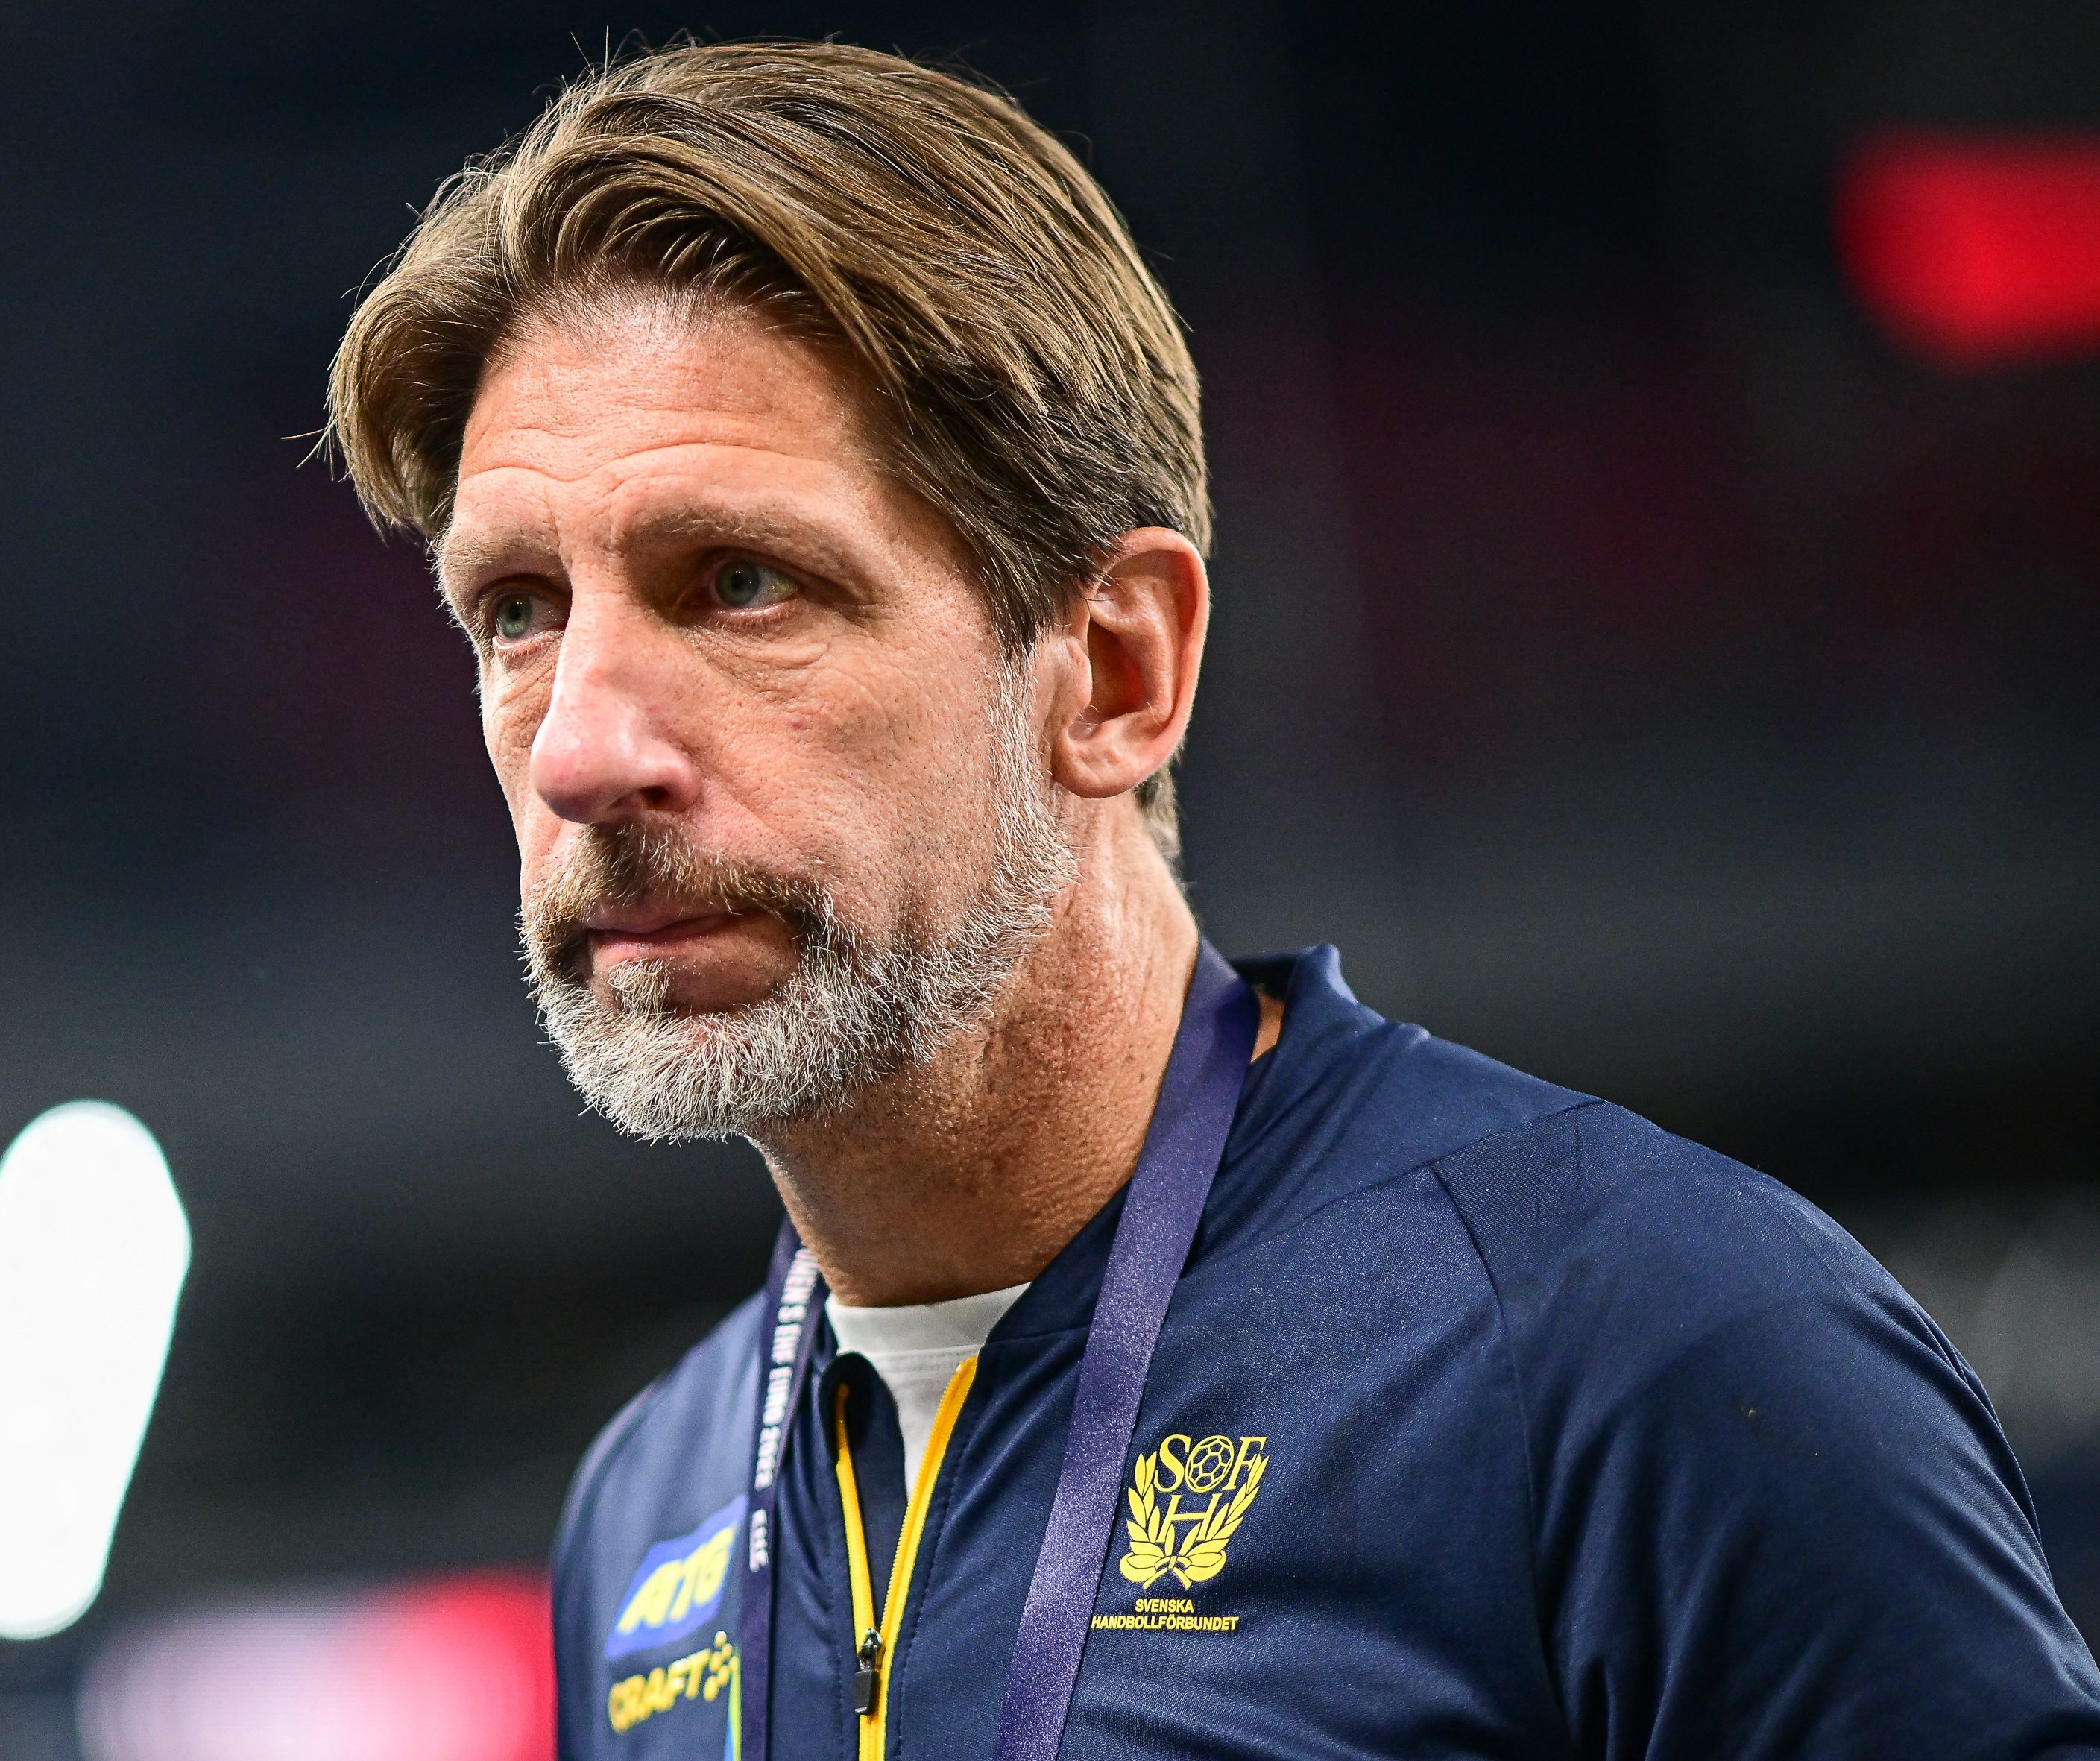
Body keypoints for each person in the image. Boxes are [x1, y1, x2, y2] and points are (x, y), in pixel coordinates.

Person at [324, 39, 2100, 1761]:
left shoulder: (1643, 1341)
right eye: (516, 612)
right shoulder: (650, 1505)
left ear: (1115, 670)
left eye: (739, 582)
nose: (582, 749)